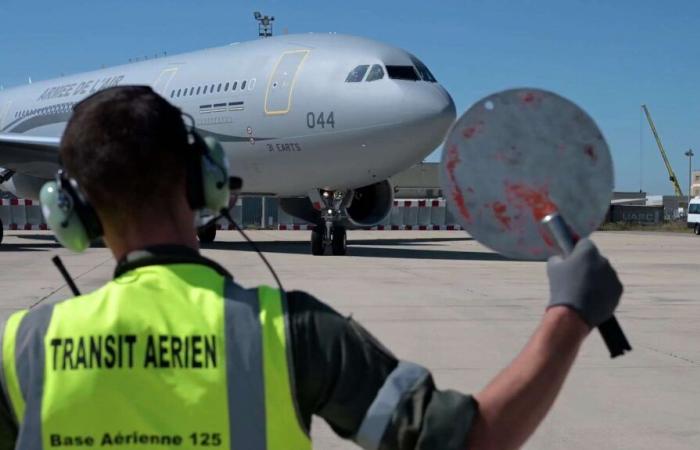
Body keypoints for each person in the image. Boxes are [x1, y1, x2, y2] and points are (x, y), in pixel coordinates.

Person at [0, 86, 622, 450]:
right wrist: (569, 315)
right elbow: (468, 440)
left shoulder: (22, 348)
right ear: (208, 183)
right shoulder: (291, 331)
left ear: (69, 208)